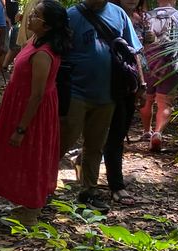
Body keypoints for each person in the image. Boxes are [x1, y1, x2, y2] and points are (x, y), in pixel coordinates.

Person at [0, 0, 71, 226]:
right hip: (19, 104)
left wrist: (22, 128)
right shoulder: (35, 40)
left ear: (49, 26)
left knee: (31, 156)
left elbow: (38, 94)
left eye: (37, 15)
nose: (30, 16)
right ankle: (23, 203)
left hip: (33, 112)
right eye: (33, 12)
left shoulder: (44, 52)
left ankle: (31, 211)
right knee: (19, 156)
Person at [59, 0, 143, 214]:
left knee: (95, 145)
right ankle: (42, 188)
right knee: (62, 142)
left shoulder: (119, 15)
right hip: (76, 92)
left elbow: (132, 52)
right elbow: (57, 51)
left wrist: (140, 85)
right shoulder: (71, 16)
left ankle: (88, 191)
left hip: (107, 94)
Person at [101, 0, 148, 204]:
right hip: (96, 85)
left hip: (124, 85)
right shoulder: (78, 14)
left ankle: (116, 184)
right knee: (98, 134)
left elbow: (134, 52)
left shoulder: (127, 17)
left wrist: (142, 86)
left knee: (116, 135)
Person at [139, 0, 178, 151]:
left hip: (146, 65)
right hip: (170, 65)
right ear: (174, 0)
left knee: (147, 98)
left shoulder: (145, 16)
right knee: (164, 103)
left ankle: (146, 132)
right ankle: (157, 133)